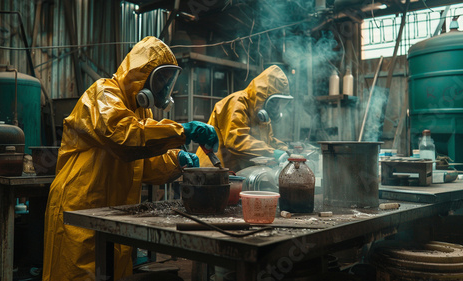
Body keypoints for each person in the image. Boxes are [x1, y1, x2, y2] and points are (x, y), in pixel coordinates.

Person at [42, 36, 218, 281]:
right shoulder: (103, 93)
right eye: (159, 80)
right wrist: (182, 130)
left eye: (167, 82)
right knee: (78, 272)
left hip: (112, 210)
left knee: (112, 271)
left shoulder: (141, 111)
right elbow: (123, 136)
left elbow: (141, 162)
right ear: (140, 73)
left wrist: (178, 160)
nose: (162, 89)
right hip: (80, 204)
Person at [196, 65, 293, 172]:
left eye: (280, 102)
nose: (277, 107)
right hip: (211, 170)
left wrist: (287, 151)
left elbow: (268, 141)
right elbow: (237, 140)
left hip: (232, 172)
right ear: (264, 95)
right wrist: (272, 153)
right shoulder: (237, 102)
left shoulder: (261, 115)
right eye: (275, 101)